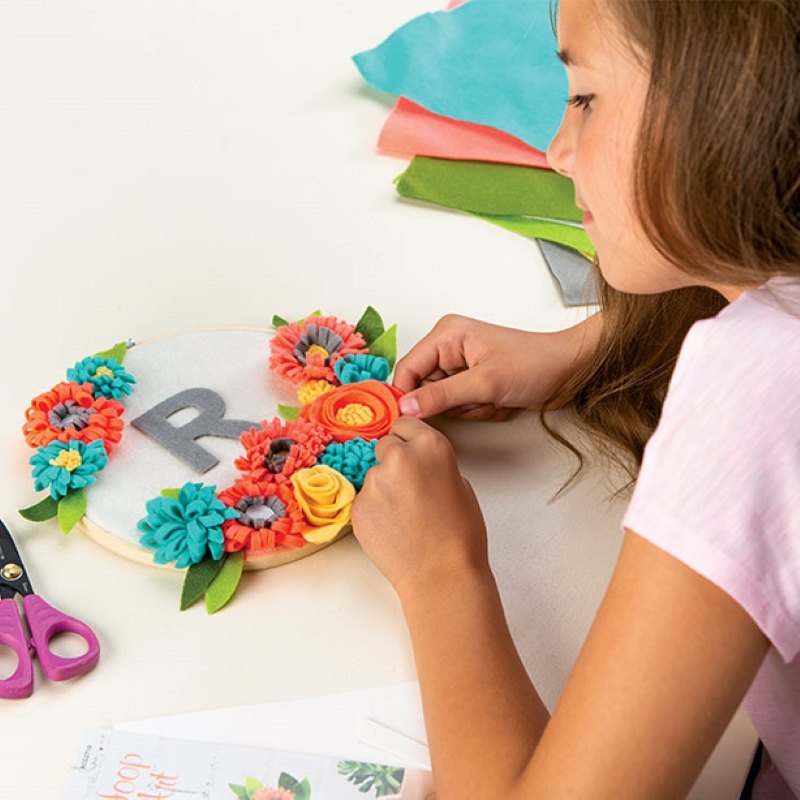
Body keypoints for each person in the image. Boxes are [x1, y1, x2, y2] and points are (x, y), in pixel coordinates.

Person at [350, 0, 800, 797]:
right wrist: (590, 350)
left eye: (585, 97)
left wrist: (443, 575)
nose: (557, 151)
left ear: (729, 104)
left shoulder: (760, 384)